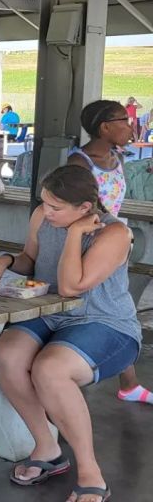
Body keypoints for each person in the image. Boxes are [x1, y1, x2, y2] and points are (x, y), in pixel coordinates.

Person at [0, 166, 140, 502]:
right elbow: (31, 260)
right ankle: (47, 448)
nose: (46, 212)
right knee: (7, 354)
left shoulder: (115, 233)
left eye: (56, 207)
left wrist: (75, 235)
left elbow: (73, 286)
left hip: (104, 321)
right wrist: (6, 261)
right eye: (44, 203)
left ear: (85, 208)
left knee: (51, 369)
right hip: (50, 312)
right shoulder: (42, 215)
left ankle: (90, 471)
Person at [67, 99, 150, 404]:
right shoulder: (79, 164)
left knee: (115, 307)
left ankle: (128, 383)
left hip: (114, 241)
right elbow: (86, 207)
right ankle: (80, 374)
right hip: (91, 242)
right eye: (124, 121)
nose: (130, 126)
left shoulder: (117, 158)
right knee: (108, 307)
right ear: (104, 127)